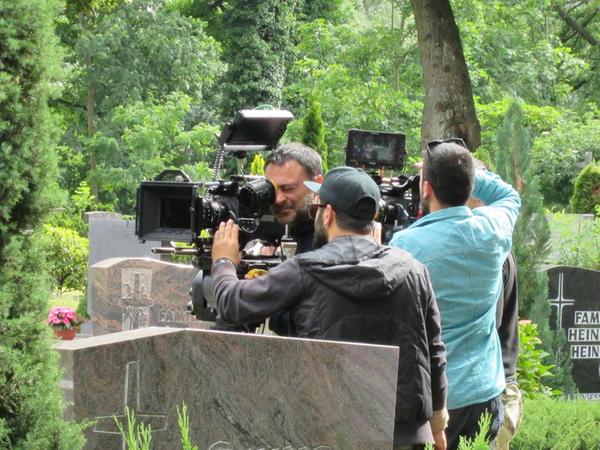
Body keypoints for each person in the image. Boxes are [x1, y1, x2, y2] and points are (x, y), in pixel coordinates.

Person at [211, 166, 449, 450]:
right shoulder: (414, 270)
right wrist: (437, 425)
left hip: (329, 432)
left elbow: (233, 304)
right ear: (371, 217)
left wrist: (224, 262)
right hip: (404, 434)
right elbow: (434, 351)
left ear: (328, 213)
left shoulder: (305, 270)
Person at [389, 139, 521, 450]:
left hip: (431, 398)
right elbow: (508, 195)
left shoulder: (403, 245)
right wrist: (466, 171)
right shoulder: (492, 232)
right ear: (471, 186)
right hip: (482, 392)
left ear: (426, 190)